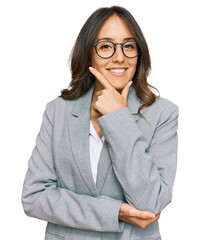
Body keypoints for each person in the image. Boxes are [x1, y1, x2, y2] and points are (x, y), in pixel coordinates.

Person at [21, 6, 179, 240]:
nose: (119, 57)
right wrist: (114, 212)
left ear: (139, 53)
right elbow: (34, 197)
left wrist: (118, 119)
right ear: (89, 53)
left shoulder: (163, 113)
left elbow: (150, 203)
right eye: (106, 46)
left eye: (128, 46)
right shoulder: (58, 111)